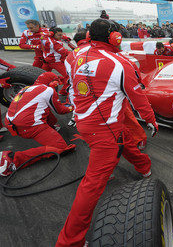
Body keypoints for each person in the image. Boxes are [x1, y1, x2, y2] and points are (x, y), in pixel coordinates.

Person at [56, 19, 158, 246]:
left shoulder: (76, 55)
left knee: (123, 141)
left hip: (85, 122)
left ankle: (144, 166)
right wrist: (151, 120)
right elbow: (138, 98)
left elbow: (71, 86)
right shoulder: (121, 62)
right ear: (115, 38)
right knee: (92, 185)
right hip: (104, 128)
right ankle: (69, 240)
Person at [1, 72, 76, 177]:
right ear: (52, 83)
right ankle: (12, 159)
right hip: (29, 127)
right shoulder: (48, 90)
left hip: (11, 123)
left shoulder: (25, 88)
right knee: (60, 148)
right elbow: (60, 110)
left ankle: (51, 127)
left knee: (44, 107)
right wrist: (73, 106)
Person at [40, 27, 70, 94]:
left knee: (42, 78)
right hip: (56, 62)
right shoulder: (54, 43)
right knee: (69, 77)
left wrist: (63, 37)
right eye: (59, 35)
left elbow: (45, 34)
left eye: (61, 35)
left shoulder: (44, 36)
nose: (61, 37)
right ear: (52, 34)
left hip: (46, 61)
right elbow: (65, 52)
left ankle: (40, 91)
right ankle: (63, 92)